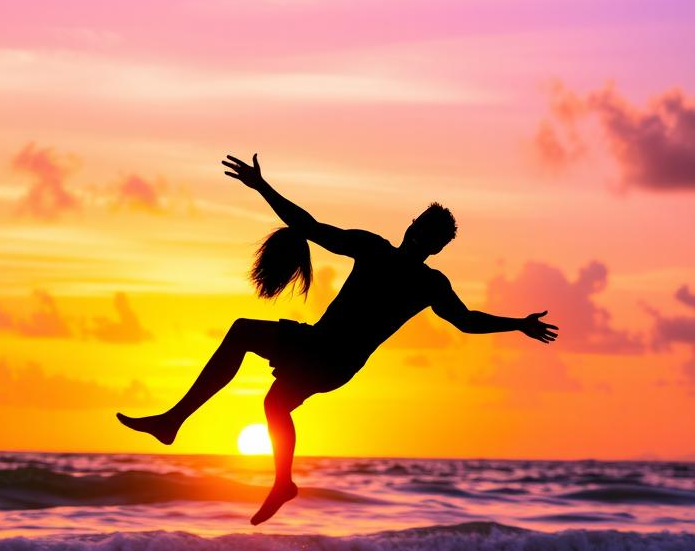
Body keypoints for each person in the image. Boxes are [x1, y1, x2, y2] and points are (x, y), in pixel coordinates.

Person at [117, 154, 558, 525]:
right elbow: (309, 226)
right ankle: (282, 482)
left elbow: (467, 321)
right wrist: (262, 187)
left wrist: (516, 324)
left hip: (327, 354)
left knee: (242, 333)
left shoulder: (410, 271)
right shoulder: (393, 261)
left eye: (428, 232)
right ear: (412, 224)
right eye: (420, 223)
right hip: (331, 358)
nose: (418, 232)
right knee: (273, 404)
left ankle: (174, 422)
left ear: (433, 244)